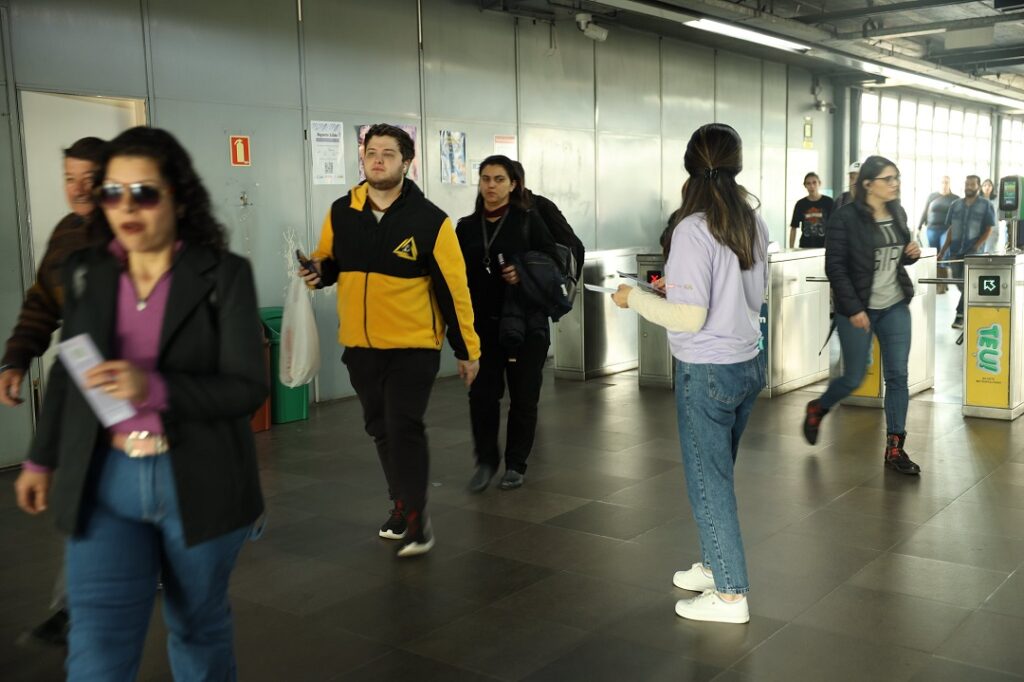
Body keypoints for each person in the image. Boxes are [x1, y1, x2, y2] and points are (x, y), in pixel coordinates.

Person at [13, 126, 267, 678]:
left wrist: (151, 387)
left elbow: (248, 387)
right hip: (105, 481)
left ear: (178, 195)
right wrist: (40, 457)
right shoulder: (87, 272)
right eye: (112, 192)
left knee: (198, 630)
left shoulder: (222, 275)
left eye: (144, 193)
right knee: (97, 643)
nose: (126, 207)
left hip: (197, 478)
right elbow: (70, 370)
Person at [612, 123, 768, 624]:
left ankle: (730, 596)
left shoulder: (692, 228)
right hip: (746, 363)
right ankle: (714, 565)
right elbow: (743, 296)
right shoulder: (751, 222)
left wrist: (632, 297)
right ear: (736, 165)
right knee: (716, 474)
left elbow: (690, 317)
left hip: (707, 372)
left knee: (709, 481)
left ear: (689, 165)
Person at [301, 123, 480, 557]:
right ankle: (401, 502)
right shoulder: (341, 211)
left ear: (406, 162)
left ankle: (417, 519)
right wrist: (317, 272)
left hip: (413, 345)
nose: (377, 160)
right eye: (371, 153)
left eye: (388, 153)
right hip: (360, 345)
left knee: (404, 425)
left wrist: (467, 349)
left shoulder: (430, 221)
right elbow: (330, 262)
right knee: (380, 428)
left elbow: (454, 290)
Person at [1, 136, 106, 649]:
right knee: (83, 490)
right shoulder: (67, 233)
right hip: (85, 384)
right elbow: (43, 301)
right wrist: (18, 355)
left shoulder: (138, 230)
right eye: (70, 178)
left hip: (143, 391)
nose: (79, 189)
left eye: (91, 178)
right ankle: (73, 607)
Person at [802, 155, 922, 475]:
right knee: (856, 375)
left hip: (894, 304)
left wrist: (911, 254)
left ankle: (895, 447)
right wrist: (853, 308)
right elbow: (835, 267)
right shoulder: (844, 218)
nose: (895, 183)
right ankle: (819, 406)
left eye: (897, 177)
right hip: (858, 306)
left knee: (898, 376)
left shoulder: (897, 211)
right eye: (888, 178)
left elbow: (895, 257)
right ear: (868, 184)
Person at [457, 155, 559, 493]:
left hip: (526, 323)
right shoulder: (467, 227)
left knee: (523, 397)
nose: (491, 186)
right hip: (483, 323)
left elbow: (554, 260)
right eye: (486, 178)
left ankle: (515, 465)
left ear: (513, 183)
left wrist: (523, 271)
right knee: (482, 396)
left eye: (499, 179)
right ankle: (485, 461)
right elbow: (456, 275)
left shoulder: (528, 220)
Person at [938, 175, 996, 330]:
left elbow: (989, 228)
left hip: (973, 253)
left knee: (968, 282)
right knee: (960, 283)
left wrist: (977, 246)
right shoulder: (955, 205)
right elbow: (951, 229)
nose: (969, 186)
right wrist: (942, 251)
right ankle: (969, 308)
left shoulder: (986, 205)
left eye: (972, 184)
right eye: (967, 184)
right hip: (955, 252)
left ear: (978, 186)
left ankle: (960, 315)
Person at [789, 172, 833, 248]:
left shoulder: (829, 202)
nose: (812, 186)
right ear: (805, 186)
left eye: (814, 182)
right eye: (808, 183)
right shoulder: (800, 204)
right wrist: (791, 248)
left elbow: (835, 226)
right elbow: (794, 227)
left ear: (819, 183)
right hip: (805, 246)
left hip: (825, 246)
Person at [919, 175, 959, 250]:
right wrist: (919, 227)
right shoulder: (932, 196)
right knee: (933, 253)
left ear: (950, 184)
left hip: (947, 230)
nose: (944, 184)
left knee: (945, 252)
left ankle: (944, 262)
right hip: (932, 229)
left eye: (946, 182)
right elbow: (925, 211)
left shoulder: (956, 198)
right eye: (942, 182)